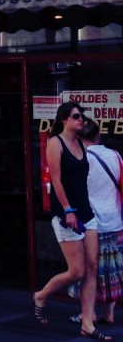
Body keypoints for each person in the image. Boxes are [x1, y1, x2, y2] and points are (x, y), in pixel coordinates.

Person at [32, 102, 111, 341]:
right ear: (64, 119)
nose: (81, 120)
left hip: (86, 211)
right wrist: (68, 209)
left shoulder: (80, 144)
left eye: (82, 117)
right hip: (67, 212)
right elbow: (56, 180)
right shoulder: (55, 142)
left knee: (91, 267)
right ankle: (41, 295)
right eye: (76, 116)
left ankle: (87, 322)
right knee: (76, 271)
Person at [68, 118, 123, 326]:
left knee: (90, 270)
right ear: (98, 136)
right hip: (115, 219)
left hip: (90, 222)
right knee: (112, 269)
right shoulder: (114, 155)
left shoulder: (80, 160)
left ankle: (87, 313)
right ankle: (109, 312)